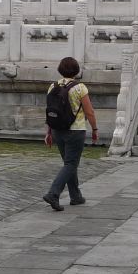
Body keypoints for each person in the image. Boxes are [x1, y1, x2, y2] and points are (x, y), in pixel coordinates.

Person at [43, 57, 98, 211]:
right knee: (71, 164)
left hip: (57, 130)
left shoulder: (53, 86)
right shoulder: (80, 87)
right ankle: (53, 193)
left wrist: (49, 132)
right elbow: (89, 112)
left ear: (60, 69)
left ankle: (75, 196)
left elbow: (50, 111)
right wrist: (94, 129)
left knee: (69, 163)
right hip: (76, 130)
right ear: (76, 70)